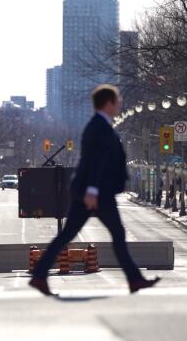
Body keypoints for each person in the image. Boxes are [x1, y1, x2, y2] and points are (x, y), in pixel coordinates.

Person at [29, 84, 160, 296]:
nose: (120, 104)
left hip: (94, 191)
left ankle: (40, 275)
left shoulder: (99, 125)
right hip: (97, 193)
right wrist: (92, 190)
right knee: (115, 234)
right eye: (117, 100)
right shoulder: (99, 127)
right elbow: (96, 161)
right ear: (108, 103)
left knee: (70, 235)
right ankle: (135, 280)